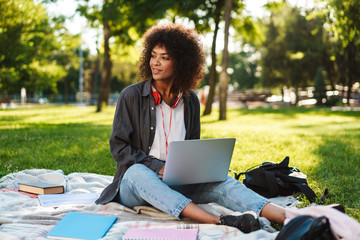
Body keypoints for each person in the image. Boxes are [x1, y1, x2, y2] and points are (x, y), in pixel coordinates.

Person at [96, 23, 286, 233]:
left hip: (177, 182)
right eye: (153, 55)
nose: (155, 63)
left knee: (223, 181)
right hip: (136, 185)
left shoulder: (191, 101)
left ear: (181, 63)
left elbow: (192, 148)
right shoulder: (130, 96)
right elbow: (119, 148)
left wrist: (199, 169)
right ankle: (219, 221)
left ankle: (288, 217)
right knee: (138, 172)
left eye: (164, 57)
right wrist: (158, 167)